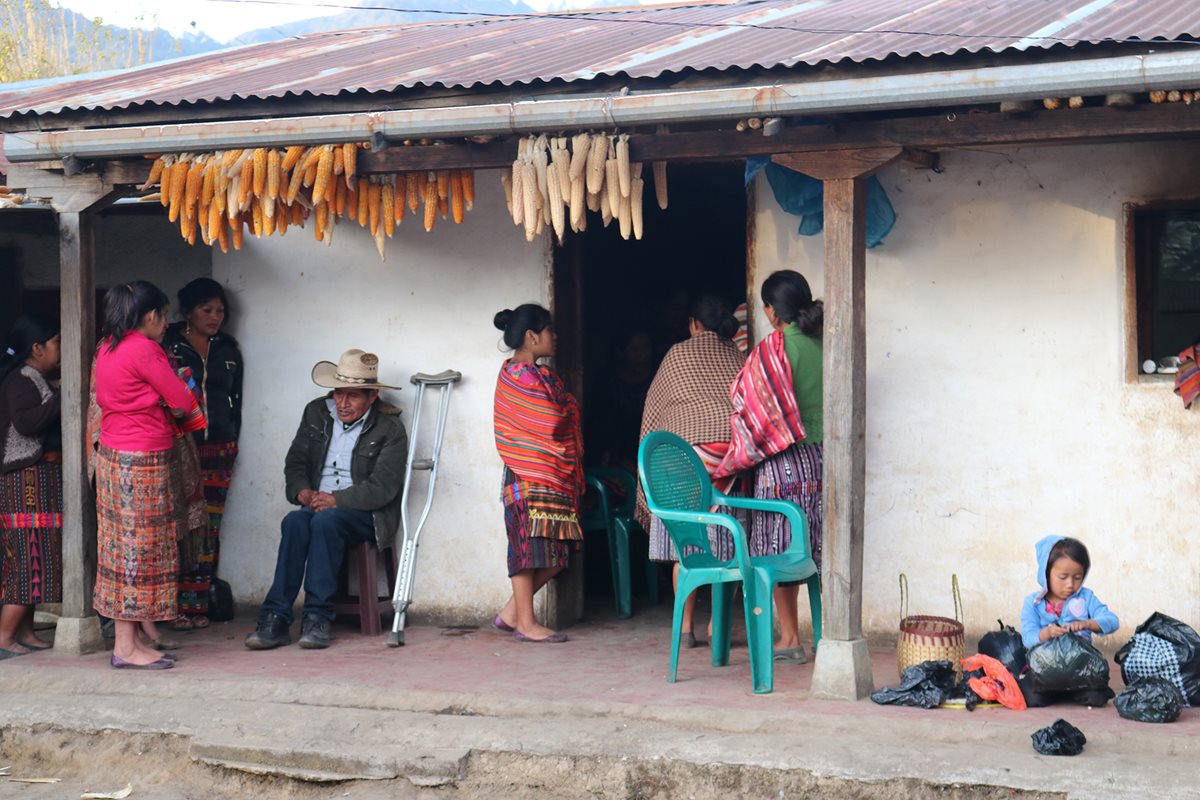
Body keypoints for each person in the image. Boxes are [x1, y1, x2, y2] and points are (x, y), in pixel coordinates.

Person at [245, 349, 407, 651]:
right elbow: (295, 462)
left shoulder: (390, 429)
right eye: (338, 393)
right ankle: (275, 619)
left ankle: (317, 617)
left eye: (353, 396)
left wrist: (337, 500)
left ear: (372, 397)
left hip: (363, 514)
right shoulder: (316, 413)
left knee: (325, 520)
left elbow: (383, 488)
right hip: (317, 505)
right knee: (294, 521)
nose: (342, 403)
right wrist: (302, 492)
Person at [94, 281, 205, 670]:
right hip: (142, 459)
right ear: (152, 316)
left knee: (118, 548)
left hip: (113, 455)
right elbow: (180, 399)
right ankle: (125, 647)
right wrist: (166, 398)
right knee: (139, 552)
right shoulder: (145, 350)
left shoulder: (107, 346)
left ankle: (134, 637)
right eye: (163, 316)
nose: (166, 324)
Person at [715, 270, 823, 663]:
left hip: (783, 461)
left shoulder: (772, 350)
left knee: (778, 547)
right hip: (821, 458)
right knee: (809, 546)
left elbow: (751, 410)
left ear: (770, 311)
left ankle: (790, 636)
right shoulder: (827, 343)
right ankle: (814, 634)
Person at [636, 293, 746, 647]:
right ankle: (717, 625)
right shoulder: (738, 355)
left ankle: (685, 629)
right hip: (730, 456)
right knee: (728, 543)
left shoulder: (678, 354)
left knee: (684, 544)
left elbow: (655, 414)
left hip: (686, 458)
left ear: (694, 324)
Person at [492, 304, 583, 643]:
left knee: (558, 555)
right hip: (525, 477)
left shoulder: (543, 376)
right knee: (526, 553)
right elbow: (550, 420)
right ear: (532, 336)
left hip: (549, 479)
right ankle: (526, 625)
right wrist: (568, 408)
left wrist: (566, 407)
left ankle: (511, 613)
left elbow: (560, 412)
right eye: (549, 331)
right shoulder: (519, 377)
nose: (554, 337)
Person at [163, 278, 243, 631]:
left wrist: (233, 440)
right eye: (206, 310)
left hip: (220, 448)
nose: (215, 317)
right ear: (187, 312)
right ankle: (173, 606)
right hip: (183, 447)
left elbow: (236, 401)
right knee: (182, 524)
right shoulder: (169, 346)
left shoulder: (228, 348)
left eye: (220, 311)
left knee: (209, 527)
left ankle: (198, 606)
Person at [0, 313, 63, 658]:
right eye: (57, 342)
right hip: (25, 480)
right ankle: (4, 636)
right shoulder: (22, 379)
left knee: (37, 557)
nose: (61, 349)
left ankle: (25, 632)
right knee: (27, 558)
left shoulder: (35, 377)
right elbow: (25, 424)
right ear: (37, 348)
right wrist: (60, 397)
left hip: (38, 480)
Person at [1018, 535, 1119, 707]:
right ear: (1046, 573)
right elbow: (1028, 639)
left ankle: (1067, 691)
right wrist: (1047, 633)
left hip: (1080, 670)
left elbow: (1112, 621)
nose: (1070, 584)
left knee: (1097, 698)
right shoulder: (1033, 603)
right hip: (1045, 671)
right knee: (1032, 698)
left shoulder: (1086, 598)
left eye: (1077, 577)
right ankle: (1060, 691)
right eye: (1063, 577)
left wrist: (1089, 623)